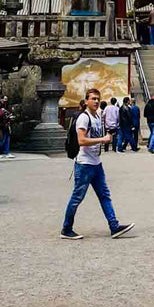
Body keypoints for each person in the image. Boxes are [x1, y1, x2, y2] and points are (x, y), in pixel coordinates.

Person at [60, 87, 134, 240]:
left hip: (96, 163)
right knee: (77, 197)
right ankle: (66, 229)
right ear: (86, 101)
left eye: (97, 99)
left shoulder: (97, 116)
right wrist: (102, 140)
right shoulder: (84, 118)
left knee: (104, 195)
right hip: (84, 164)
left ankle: (114, 226)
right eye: (93, 99)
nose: (96, 101)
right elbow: (81, 140)